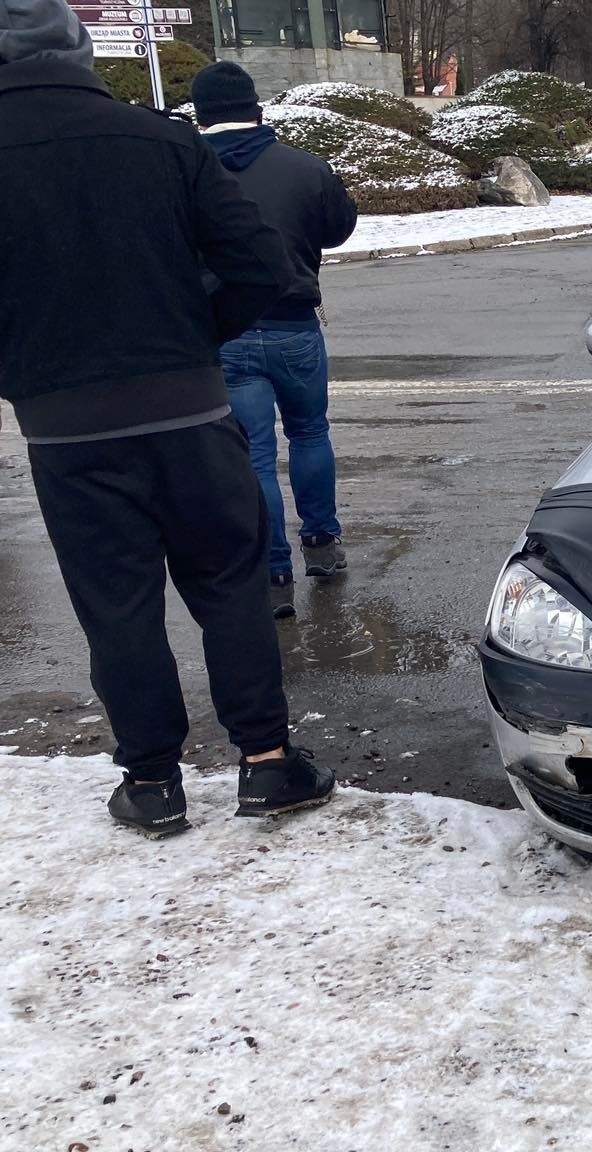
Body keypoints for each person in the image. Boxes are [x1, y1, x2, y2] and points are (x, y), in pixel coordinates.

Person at [0, 0, 334, 838]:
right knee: (229, 584)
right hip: (190, 408)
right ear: (80, 54)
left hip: (64, 426)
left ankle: (151, 781)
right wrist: (196, 338)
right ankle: (265, 764)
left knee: (115, 604)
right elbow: (267, 269)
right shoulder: (166, 141)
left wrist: (26, 379)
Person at [190, 62, 359, 619]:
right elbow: (338, 227)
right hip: (294, 324)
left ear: (200, 114)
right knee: (311, 433)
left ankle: (274, 573)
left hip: (225, 331)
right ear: (256, 108)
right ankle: (324, 547)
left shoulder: (186, 169)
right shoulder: (304, 167)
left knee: (254, 456)